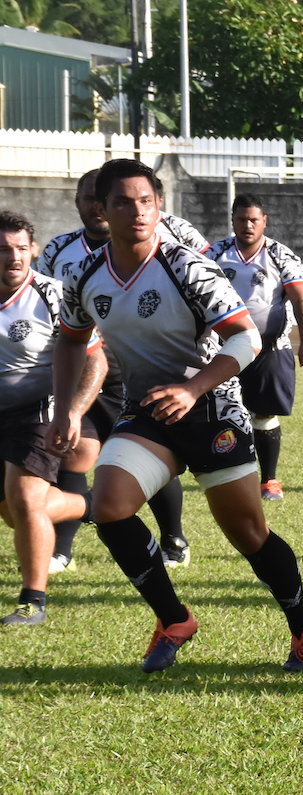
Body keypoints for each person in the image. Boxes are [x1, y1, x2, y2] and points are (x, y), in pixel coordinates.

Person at [49, 158, 303, 673]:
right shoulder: (84, 275)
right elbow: (71, 341)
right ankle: (174, 619)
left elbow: (246, 336)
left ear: (159, 206)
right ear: (102, 209)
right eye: (124, 202)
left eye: (147, 201)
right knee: (108, 505)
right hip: (147, 413)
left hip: (213, 411)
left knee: (248, 535)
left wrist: (193, 387)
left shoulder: (185, 266)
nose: (138, 211)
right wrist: (66, 409)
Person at [36, 168, 196, 572]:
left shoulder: (164, 242)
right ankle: (62, 549)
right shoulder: (59, 250)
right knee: (76, 452)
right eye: (89, 197)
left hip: (138, 367)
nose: (95, 205)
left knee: (150, 453)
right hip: (85, 365)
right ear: (83, 203)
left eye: (100, 196)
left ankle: (173, 537)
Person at [0, 212, 98, 625]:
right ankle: (91, 504)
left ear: (34, 251)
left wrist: (71, 411)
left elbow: (96, 361)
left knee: (24, 500)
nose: (13, 257)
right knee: (14, 511)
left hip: (40, 410)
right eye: (4, 249)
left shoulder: (54, 295)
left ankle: (32, 602)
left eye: (21, 248)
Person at [207, 195, 303, 500]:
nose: (247, 225)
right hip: (224, 347)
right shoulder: (213, 254)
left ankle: (269, 480)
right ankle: (227, 474)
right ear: (232, 220)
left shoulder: (281, 255)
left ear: (264, 221)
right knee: (220, 411)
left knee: (264, 414)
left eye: (253, 220)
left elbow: (299, 298)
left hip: (270, 347)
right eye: (241, 219)